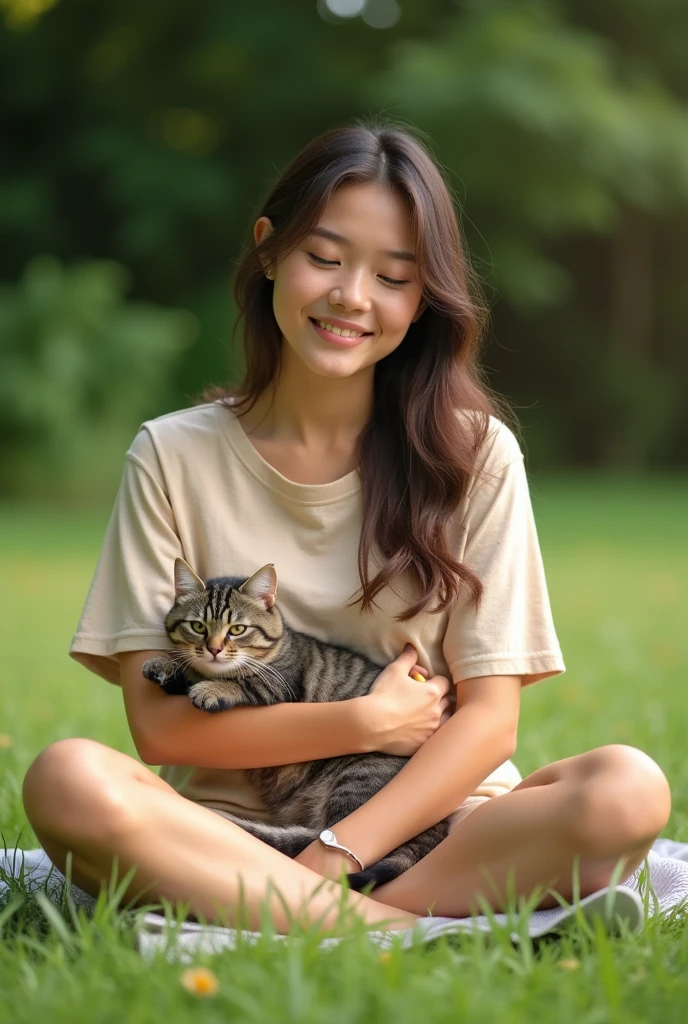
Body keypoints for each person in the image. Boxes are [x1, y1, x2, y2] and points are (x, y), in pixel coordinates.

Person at [22, 117, 671, 936]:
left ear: (424, 296)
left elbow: (489, 720)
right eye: (324, 259)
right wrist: (362, 721)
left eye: (394, 276)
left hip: (439, 833)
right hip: (235, 835)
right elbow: (161, 726)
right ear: (268, 252)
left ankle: (309, 921)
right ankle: (397, 937)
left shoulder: (475, 454)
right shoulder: (172, 454)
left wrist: (337, 854)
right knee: (68, 779)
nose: (351, 297)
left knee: (629, 788)